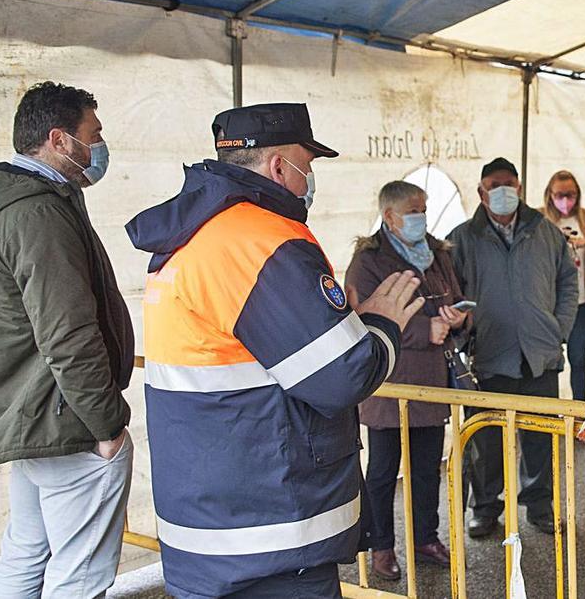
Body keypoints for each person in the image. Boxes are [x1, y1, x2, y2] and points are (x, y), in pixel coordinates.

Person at [126, 103, 424, 599]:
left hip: (208, 517)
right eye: (308, 164)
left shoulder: (188, 235)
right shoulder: (261, 240)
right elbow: (342, 375)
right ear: (280, 166)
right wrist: (380, 324)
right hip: (270, 528)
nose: (310, 178)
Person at [0, 82, 134, 598]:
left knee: (27, 551)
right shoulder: (38, 213)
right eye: (94, 134)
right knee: (79, 575)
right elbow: (68, 332)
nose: (100, 146)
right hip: (64, 417)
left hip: (26, 410)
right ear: (60, 140)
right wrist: (106, 423)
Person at [448, 157, 578, 538]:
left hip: (540, 354)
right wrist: (464, 334)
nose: (503, 191)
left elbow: (568, 282)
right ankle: (486, 508)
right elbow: (452, 293)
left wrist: (559, 329)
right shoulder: (461, 238)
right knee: (486, 441)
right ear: (481, 192)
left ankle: (540, 505)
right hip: (488, 355)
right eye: (494, 185)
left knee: (540, 436)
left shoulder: (546, 232)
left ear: (520, 187)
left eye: (510, 184)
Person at [346, 181, 466, 581]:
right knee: (382, 471)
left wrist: (456, 318)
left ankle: (424, 538)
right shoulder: (368, 260)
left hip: (430, 381)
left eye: (424, 208)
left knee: (428, 466)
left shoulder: (437, 252)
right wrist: (422, 330)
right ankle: (381, 546)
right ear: (389, 217)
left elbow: (454, 295)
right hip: (389, 383)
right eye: (413, 210)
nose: (422, 217)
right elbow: (364, 316)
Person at [539, 170, 585, 415]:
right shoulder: (540, 218)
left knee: (578, 360)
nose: (565, 200)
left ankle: (580, 414)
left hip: (581, 304)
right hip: (548, 305)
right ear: (550, 195)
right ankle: (548, 417)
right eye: (560, 195)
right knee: (548, 364)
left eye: (571, 195)